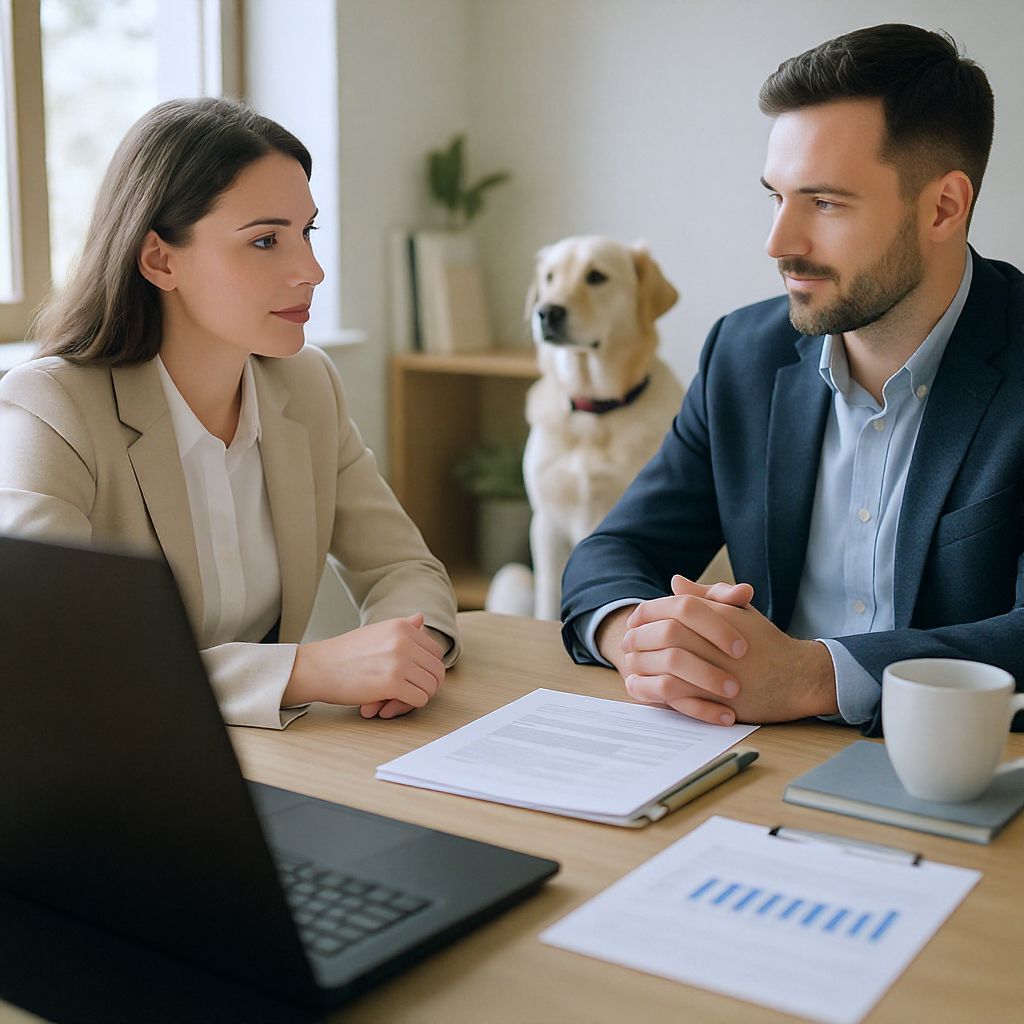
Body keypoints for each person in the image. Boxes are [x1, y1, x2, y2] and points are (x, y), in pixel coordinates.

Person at [561, 23, 1024, 736]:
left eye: (826, 202)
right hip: (754, 758)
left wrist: (813, 674)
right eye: (776, 196)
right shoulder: (742, 354)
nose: (779, 243)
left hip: (966, 780)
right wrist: (648, 639)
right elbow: (616, 552)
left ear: (943, 207)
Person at [0, 97, 459, 729]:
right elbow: (58, 656)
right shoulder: (49, 407)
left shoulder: (307, 384)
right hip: (111, 769)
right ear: (160, 259)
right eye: (266, 240)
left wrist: (414, 651)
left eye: (308, 233)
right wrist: (306, 671)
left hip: (276, 756)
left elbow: (402, 566)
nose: (312, 271)